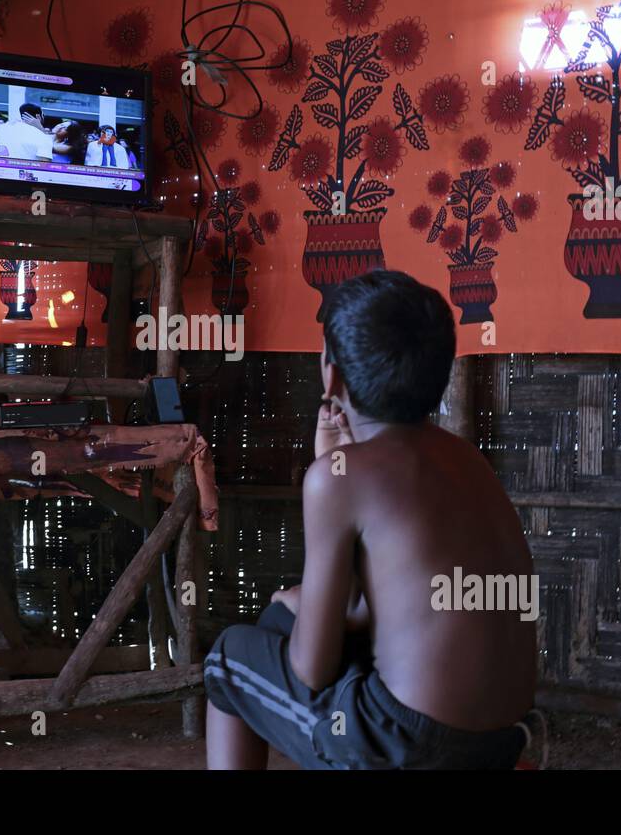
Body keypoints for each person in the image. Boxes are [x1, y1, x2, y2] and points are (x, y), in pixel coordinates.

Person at [204, 270, 537, 770]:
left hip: (407, 746)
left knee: (228, 660)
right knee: (276, 620)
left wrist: (328, 468)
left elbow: (312, 669)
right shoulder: (466, 461)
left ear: (330, 374)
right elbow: (397, 604)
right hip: (498, 743)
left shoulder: (338, 479)